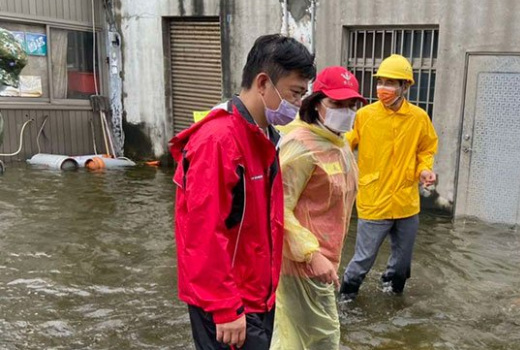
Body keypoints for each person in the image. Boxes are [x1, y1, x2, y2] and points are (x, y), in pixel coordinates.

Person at [169, 34, 315, 350]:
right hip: (228, 301)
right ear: (263, 83)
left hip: (256, 294)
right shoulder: (219, 141)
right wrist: (225, 307)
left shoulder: (264, 136)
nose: (298, 104)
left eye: (303, 95)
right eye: (294, 93)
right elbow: (203, 233)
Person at [269, 66, 364, 349]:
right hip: (302, 263)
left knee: (297, 337)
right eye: (336, 104)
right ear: (316, 102)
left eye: (351, 105)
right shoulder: (301, 145)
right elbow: (277, 209)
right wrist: (312, 255)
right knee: (323, 338)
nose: (346, 111)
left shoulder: (338, 141)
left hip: (325, 259)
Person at [340, 54, 439, 301]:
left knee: (402, 264)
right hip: (374, 200)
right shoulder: (365, 116)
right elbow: (343, 145)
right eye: (381, 81)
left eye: (391, 82)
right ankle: (345, 299)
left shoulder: (418, 118)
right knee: (363, 259)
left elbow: (425, 149)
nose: (383, 88)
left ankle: (392, 297)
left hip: (406, 203)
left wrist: (424, 170)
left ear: (405, 86)